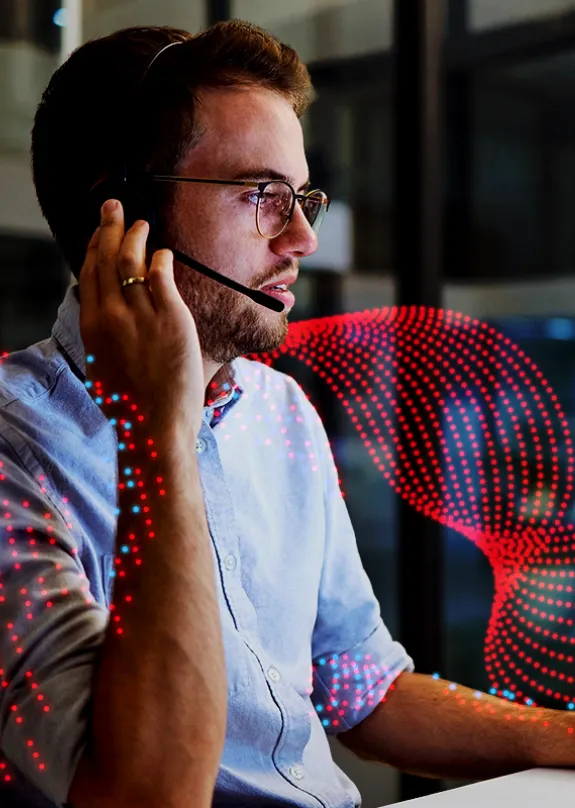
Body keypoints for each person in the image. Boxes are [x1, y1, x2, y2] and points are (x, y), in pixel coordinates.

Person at [0, 19, 574, 808]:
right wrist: (158, 425)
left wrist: (561, 737)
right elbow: (145, 794)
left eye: (301, 195)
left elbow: (362, 688)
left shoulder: (281, 412)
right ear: (124, 214)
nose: (302, 236)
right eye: (261, 195)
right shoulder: (14, 451)